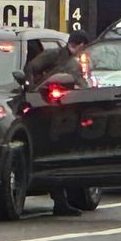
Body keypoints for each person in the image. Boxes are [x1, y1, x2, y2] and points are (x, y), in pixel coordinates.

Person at [25, 30, 91, 216]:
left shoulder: (77, 61)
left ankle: (63, 201)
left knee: (65, 155)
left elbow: (80, 82)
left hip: (68, 110)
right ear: (79, 45)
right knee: (55, 153)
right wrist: (34, 90)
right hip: (50, 110)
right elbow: (31, 68)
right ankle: (60, 201)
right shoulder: (53, 55)